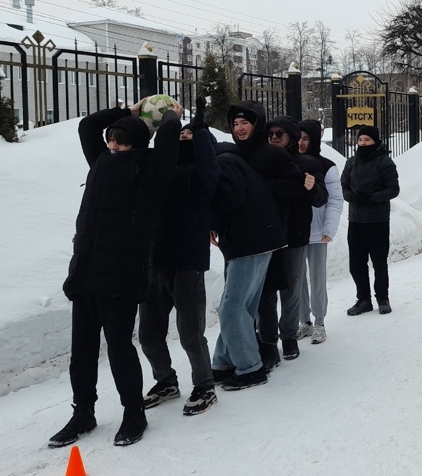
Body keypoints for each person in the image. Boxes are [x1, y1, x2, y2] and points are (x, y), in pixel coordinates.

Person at [49, 97, 181, 448]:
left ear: (136, 144)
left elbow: (167, 141)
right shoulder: (100, 163)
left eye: (121, 141)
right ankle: (83, 413)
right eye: (111, 140)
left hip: (122, 273)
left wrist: (170, 116)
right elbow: (87, 127)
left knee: (120, 347)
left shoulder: (151, 169)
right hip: (87, 270)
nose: (113, 146)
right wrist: (127, 113)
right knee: (82, 349)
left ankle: (134, 413)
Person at [138, 98, 221, 416]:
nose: (182, 137)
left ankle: (205, 386)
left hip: (187, 264)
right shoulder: (156, 172)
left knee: (190, 334)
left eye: (189, 136)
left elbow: (208, 161)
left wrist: (197, 126)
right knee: (148, 334)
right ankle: (166, 381)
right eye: (180, 134)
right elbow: (151, 146)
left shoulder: (202, 176)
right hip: (154, 261)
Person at [209, 101, 300, 390]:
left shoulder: (270, 153)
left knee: (248, 302)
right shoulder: (231, 154)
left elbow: (294, 184)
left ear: (257, 124)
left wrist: (257, 186)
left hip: (263, 232)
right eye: (235, 124)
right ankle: (225, 362)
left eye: (245, 123)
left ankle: (262, 355)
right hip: (243, 236)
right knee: (240, 303)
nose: (240, 128)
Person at [257, 117, 327, 363]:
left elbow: (321, 199)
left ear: (292, 137)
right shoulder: (260, 161)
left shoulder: (306, 163)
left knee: (290, 289)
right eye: (271, 134)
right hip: (264, 236)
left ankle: (288, 337)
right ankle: (266, 339)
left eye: (280, 134)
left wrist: (311, 187)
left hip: (294, 235)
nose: (274, 138)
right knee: (264, 291)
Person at [340, 125, 400, 316]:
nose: (363, 143)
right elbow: (344, 185)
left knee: (379, 262)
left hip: (378, 220)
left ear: (376, 141)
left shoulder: (385, 163)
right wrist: (351, 197)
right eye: (360, 140)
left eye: (367, 140)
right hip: (356, 220)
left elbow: (393, 190)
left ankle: (382, 298)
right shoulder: (351, 163)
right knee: (356, 263)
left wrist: (371, 197)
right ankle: (363, 300)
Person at [296, 119, 344, 344]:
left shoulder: (327, 166)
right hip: (294, 230)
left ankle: (319, 322)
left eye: (306, 138)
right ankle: (303, 320)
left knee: (316, 277)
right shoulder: (289, 161)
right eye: (298, 137)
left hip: (317, 230)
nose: (301, 142)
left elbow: (335, 200)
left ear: (314, 139)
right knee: (296, 278)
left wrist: (329, 228)